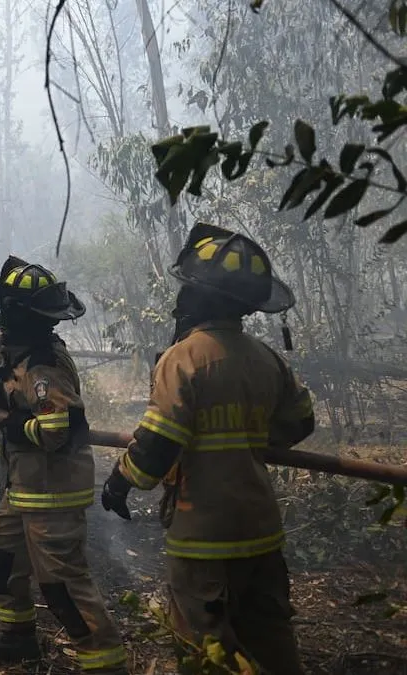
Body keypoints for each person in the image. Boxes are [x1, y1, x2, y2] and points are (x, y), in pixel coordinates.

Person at [100, 223, 314, 675]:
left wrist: (118, 483)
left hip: (204, 540)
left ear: (200, 296)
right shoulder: (266, 358)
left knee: (205, 651)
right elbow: (300, 422)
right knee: (271, 641)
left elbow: (156, 446)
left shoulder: (184, 357)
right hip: (261, 530)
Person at [0, 258, 128, 675]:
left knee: (63, 587)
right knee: (4, 560)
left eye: (8, 308)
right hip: (22, 490)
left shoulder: (42, 367)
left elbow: (53, 432)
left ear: (20, 312)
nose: (1, 317)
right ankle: (18, 638)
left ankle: (105, 664)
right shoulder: (10, 347)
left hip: (52, 493)